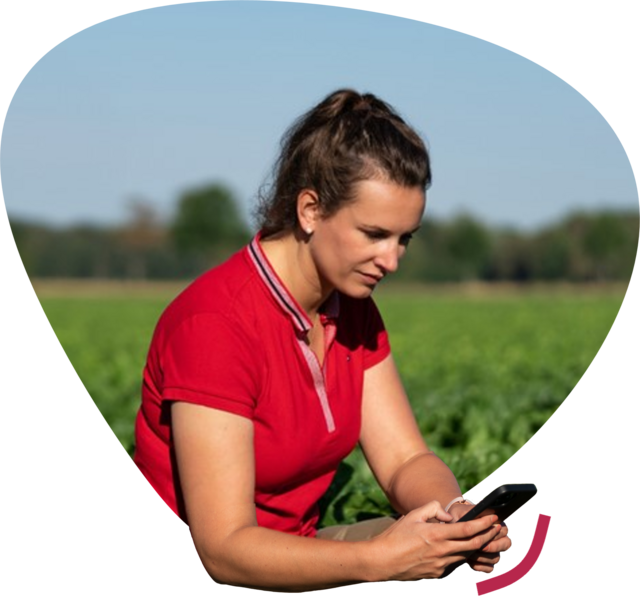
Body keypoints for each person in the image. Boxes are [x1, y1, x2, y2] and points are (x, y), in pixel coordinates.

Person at [132, 89, 511, 593]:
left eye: (405, 239)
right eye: (374, 234)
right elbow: (223, 550)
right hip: (227, 569)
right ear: (310, 209)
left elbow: (405, 460)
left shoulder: (353, 310)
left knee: (454, 561)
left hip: (302, 556)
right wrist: (378, 561)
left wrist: (454, 517)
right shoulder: (215, 324)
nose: (392, 260)